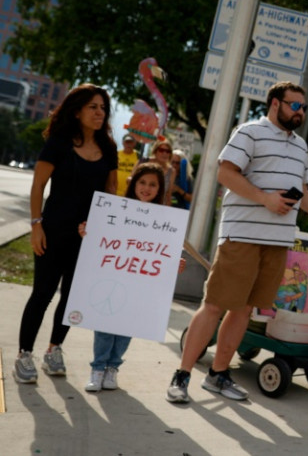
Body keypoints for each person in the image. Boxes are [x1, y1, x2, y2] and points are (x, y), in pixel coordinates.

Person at [166, 81, 308, 403]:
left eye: (303, 107)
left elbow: (303, 193)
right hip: (242, 236)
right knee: (215, 306)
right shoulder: (249, 132)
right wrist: (264, 199)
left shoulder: (300, 146)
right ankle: (182, 375)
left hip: (277, 242)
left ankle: (218, 375)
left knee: (245, 310)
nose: (300, 112)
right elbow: (226, 173)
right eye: (294, 105)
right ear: (275, 104)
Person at [13, 84, 118, 384]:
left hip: (89, 237)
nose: (100, 113)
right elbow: (38, 187)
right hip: (52, 230)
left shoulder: (108, 148)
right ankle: (23, 355)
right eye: (93, 107)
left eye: (103, 108)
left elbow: (111, 193)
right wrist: (36, 225)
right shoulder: (58, 142)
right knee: (43, 294)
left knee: (72, 298)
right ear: (77, 111)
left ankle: (54, 349)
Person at [79, 162, 185, 392]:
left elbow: (163, 250)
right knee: (105, 323)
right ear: (133, 183)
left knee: (127, 325)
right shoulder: (114, 211)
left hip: (139, 283)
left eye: (153, 185)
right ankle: (97, 369)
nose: (146, 188)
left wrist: (174, 262)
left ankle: (113, 368)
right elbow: (100, 238)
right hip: (112, 278)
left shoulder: (165, 220)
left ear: (160, 189)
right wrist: (88, 231)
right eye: (142, 182)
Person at [132, 138, 175, 206]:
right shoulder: (143, 162)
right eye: (161, 150)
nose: (165, 153)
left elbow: (168, 194)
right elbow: (130, 181)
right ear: (155, 151)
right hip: (137, 202)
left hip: (157, 207)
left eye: (168, 151)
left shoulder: (171, 171)